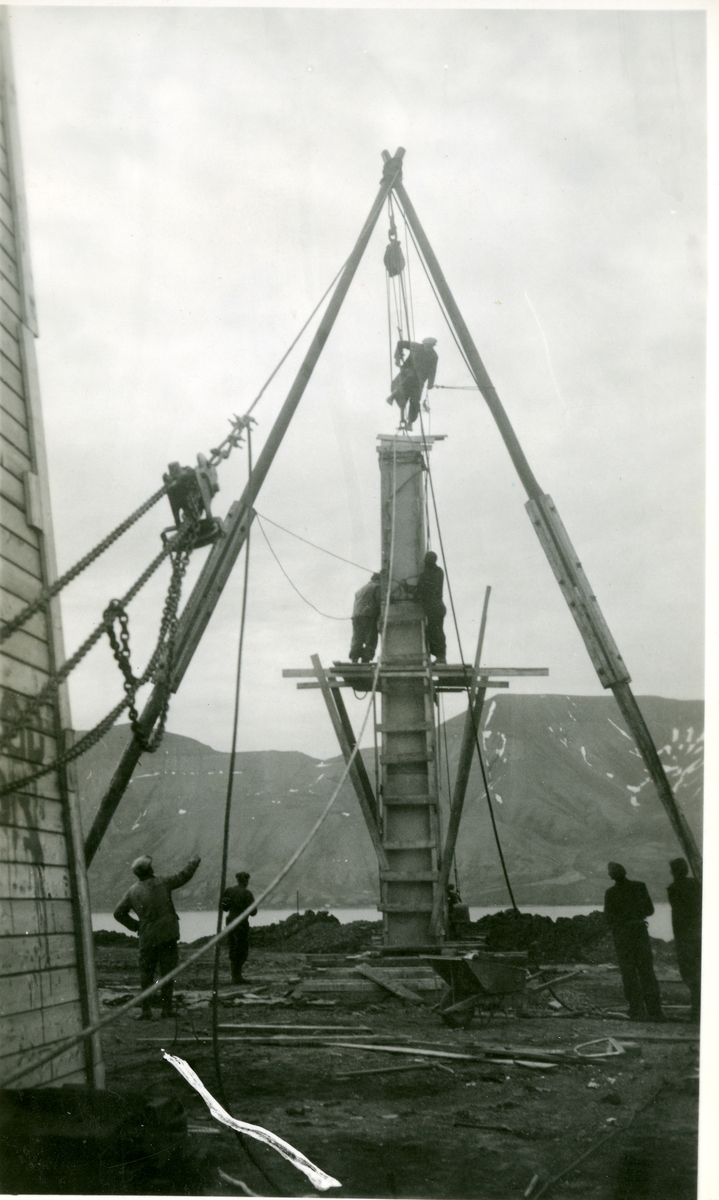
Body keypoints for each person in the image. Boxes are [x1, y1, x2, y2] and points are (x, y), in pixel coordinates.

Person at [114, 852, 201, 1019]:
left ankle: (146, 1010)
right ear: (150, 870)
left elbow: (118, 913)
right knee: (167, 972)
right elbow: (183, 876)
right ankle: (166, 1009)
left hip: (147, 938)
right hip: (167, 935)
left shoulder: (132, 891)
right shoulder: (163, 882)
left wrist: (138, 927)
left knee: (146, 975)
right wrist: (194, 862)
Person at [603, 861, 664, 1022]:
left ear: (612, 876)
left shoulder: (611, 893)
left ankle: (636, 1010)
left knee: (628, 972)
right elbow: (650, 910)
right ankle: (655, 1011)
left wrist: (621, 919)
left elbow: (608, 917)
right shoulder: (639, 886)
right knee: (646, 971)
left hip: (622, 935)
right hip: (639, 932)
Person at [667, 858, 701, 1022]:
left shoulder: (674, 888)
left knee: (690, 973)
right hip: (698, 933)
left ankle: (697, 1011)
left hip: (685, 937)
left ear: (674, 871)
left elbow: (678, 915)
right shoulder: (697, 884)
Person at [385, 337, 438, 429]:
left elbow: (432, 370)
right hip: (406, 374)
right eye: (427, 346)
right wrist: (397, 358)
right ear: (423, 344)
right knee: (404, 390)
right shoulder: (415, 346)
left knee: (415, 400)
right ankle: (394, 396)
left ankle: (410, 423)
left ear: (433, 346)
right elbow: (400, 343)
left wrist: (430, 383)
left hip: (419, 381)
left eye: (431, 346)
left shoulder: (434, 356)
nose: (428, 348)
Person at [222, 871, 257, 984]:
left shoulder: (228, 891)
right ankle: (237, 976)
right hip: (241, 923)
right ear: (246, 881)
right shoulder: (247, 894)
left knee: (233, 947)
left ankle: (235, 975)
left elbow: (224, 907)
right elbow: (253, 912)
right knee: (241, 949)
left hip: (230, 921)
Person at [414, 551, 446, 663]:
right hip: (435, 607)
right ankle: (439, 656)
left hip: (434, 607)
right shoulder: (437, 571)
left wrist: (408, 588)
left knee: (436, 631)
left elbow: (422, 589)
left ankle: (440, 656)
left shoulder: (431, 573)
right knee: (433, 631)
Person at [349, 573, 381, 663]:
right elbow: (380, 602)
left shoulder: (360, 590)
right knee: (371, 637)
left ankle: (354, 659)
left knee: (357, 637)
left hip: (356, 616)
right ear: (379, 580)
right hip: (368, 615)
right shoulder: (377, 587)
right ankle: (366, 660)